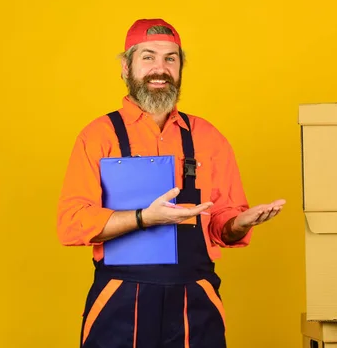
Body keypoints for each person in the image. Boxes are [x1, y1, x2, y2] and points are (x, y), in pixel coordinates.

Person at [56, 18, 286, 348]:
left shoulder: (209, 138)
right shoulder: (98, 137)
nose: (159, 69)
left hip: (196, 300)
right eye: (147, 57)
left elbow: (221, 226)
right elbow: (71, 223)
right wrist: (142, 218)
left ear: (180, 68)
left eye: (170, 59)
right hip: (120, 298)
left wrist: (239, 223)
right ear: (125, 67)